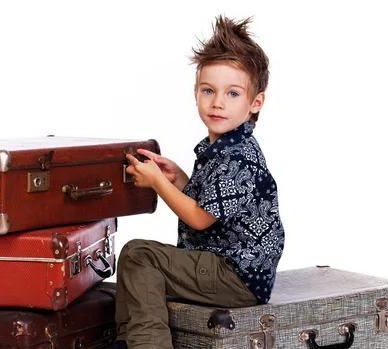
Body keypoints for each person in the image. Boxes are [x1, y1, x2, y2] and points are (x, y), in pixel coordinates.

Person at [109, 15, 285, 349]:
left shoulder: (237, 154)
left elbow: (200, 218)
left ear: (255, 103)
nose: (218, 102)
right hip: (228, 266)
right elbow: (217, 209)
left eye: (233, 93)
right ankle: (127, 339)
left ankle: (143, 344)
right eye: (209, 90)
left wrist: (159, 183)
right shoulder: (221, 148)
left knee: (138, 255)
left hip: (236, 275)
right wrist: (179, 179)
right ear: (196, 93)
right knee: (142, 267)